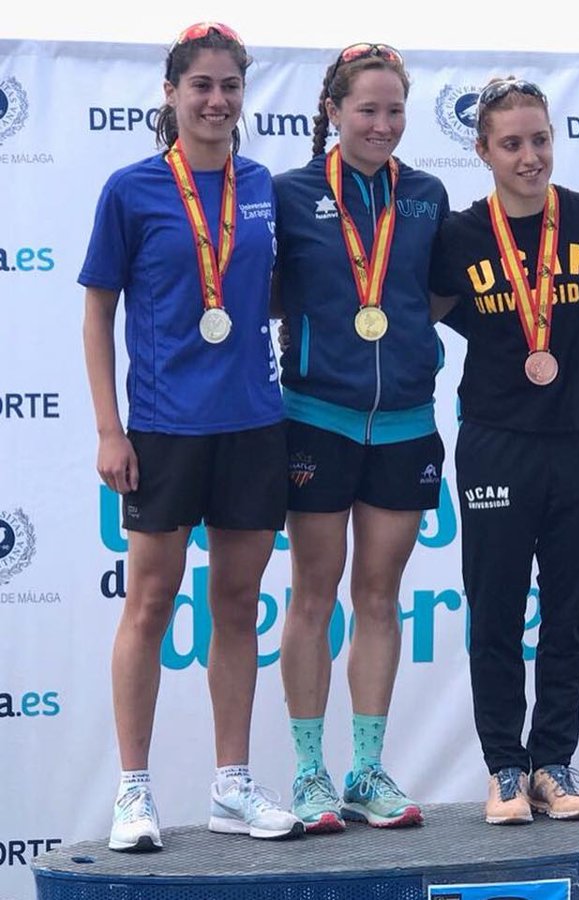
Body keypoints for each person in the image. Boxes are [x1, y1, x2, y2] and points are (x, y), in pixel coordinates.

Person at [79, 23, 301, 851]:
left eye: (230, 86)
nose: (216, 100)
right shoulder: (131, 190)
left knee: (237, 605)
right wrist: (110, 430)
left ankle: (231, 787)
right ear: (170, 94)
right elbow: (98, 314)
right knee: (149, 603)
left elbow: (270, 291)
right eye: (201, 85)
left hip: (253, 423)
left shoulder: (262, 186)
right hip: (165, 428)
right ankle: (133, 793)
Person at [429, 77, 579, 825]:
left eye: (540, 139)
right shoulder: (460, 237)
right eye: (512, 144)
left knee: (569, 615)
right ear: (482, 150)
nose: (530, 157)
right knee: (495, 613)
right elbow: (418, 319)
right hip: (497, 445)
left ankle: (553, 765)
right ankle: (504, 769)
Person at [272, 43, 449, 832]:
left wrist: (405, 342)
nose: (382, 124)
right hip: (318, 416)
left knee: (379, 597)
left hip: (405, 421)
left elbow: (431, 294)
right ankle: (309, 774)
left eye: (395, 110)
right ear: (334, 112)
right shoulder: (289, 194)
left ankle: (366, 771)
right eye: (367, 109)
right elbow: (269, 292)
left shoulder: (428, 196)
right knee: (314, 594)